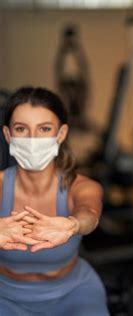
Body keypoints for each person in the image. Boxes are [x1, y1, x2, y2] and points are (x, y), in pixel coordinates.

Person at [0, 87, 109, 315]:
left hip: (74, 293)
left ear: (60, 134)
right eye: (21, 129)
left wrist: (73, 224)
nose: (32, 139)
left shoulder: (81, 186)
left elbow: (89, 212)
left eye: (44, 129)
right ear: (8, 135)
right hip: (5, 296)